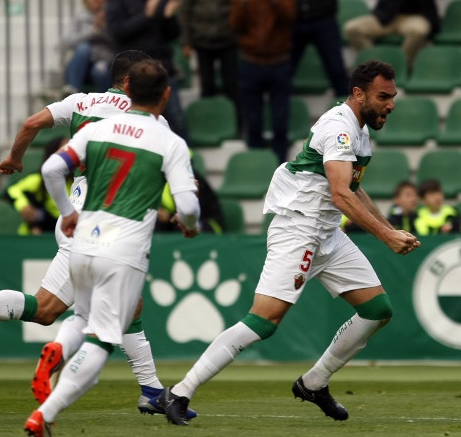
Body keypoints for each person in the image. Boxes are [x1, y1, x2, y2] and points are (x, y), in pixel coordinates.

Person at [0, 50, 194, 418]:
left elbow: (31, 124)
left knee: (52, 310)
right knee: (102, 317)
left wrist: (15, 159)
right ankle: (134, 388)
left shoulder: (81, 103)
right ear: (136, 83)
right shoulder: (151, 122)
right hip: (113, 223)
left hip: (74, 217)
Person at [160, 60, 421, 426]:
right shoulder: (339, 128)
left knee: (377, 309)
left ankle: (315, 382)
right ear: (359, 94)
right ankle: (179, 391)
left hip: (327, 233)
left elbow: (354, 189)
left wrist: (388, 226)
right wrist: (386, 236)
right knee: (263, 322)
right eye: (383, 96)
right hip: (298, 230)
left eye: (392, 97)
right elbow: (341, 193)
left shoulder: (360, 132)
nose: (391, 104)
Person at [24, 58, 200, 437]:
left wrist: (67, 212)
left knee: (81, 318)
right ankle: (45, 413)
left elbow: (51, 169)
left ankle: (60, 348)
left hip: (83, 237)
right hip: (123, 247)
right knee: (102, 339)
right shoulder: (168, 140)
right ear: (166, 94)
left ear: (126, 91)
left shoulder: (95, 129)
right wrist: (190, 226)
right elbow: (187, 206)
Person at [106, 0, 190, 144]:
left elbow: (172, 35)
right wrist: (146, 16)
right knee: (132, 121)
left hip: (161, 70)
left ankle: (188, 163)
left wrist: (169, 16)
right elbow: (117, 32)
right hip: (132, 73)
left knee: (176, 120)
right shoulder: (116, 3)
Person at [229, 0, 296, 164]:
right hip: (250, 62)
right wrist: (243, 5)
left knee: (280, 121)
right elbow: (234, 25)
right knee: (252, 121)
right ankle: (257, 163)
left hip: (279, 62)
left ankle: (281, 166)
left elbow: (290, 17)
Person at [178, 0, 240, 129]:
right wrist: (185, 41)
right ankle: (209, 126)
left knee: (233, 86)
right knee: (207, 87)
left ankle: (238, 126)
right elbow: (185, 13)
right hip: (202, 42)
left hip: (229, 39)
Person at [1, 137, 70, 235]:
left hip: (69, 231)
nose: (70, 155)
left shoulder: (81, 181)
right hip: (41, 233)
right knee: (30, 199)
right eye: (65, 151)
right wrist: (24, 206)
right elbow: (11, 191)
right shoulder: (39, 179)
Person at [343, 0, 440, 69]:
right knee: (352, 28)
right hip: (385, 16)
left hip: (413, 16)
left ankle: (400, 66)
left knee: (419, 31)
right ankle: (374, 67)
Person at [292, 0, 348, 98]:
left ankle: (345, 110)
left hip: (324, 18)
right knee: (283, 72)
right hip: (294, 19)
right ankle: (282, 110)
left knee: (336, 69)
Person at [60, 0, 114, 95]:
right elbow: (68, 42)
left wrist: (103, 28)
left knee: (100, 69)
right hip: (80, 64)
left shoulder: (112, 15)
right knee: (83, 48)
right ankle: (73, 93)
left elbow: (117, 42)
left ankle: (104, 103)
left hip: (103, 62)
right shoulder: (80, 15)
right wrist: (93, 31)